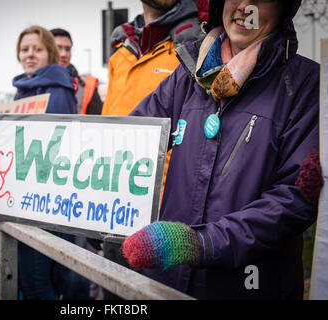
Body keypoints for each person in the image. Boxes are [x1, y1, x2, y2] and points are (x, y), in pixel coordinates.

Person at [121, 0, 319, 300]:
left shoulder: (306, 84)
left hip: (249, 288)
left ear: (282, 9)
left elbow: (294, 198)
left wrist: (201, 243)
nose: (244, 7)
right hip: (166, 282)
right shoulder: (186, 74)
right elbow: (127, 139)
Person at [99, 0, 208, 299]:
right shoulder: (120, 50)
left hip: (165, 221)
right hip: (110, 209)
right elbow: (108, 126)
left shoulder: (197, 41)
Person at [0, 25, 77, 300]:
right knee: (29, 281)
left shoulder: (56, 88)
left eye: (37, 49)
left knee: (37, 283)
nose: (30, 55)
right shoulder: (25, 89)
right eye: (25, 49)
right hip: (22, 200)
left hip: (43, 205)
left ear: (49, 53)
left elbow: (54, 149)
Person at [50, 28, 103, 115]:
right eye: (58, 48)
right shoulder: (30, 85)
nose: (64, 54)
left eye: (67, 49)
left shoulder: (88, 85)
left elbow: (96, 124)